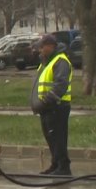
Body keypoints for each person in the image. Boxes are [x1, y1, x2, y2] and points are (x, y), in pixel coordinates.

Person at [31, 34, 73, 176]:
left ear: (51, 46)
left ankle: (63, 167)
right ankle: (55, 164)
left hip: (57, 106)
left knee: (58, 138)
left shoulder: (60, 61)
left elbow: (60, 86)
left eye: (42, 47)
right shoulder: (47, 62)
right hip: (46, 107)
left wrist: (46, 101)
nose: (40, 50)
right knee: (51, 137)